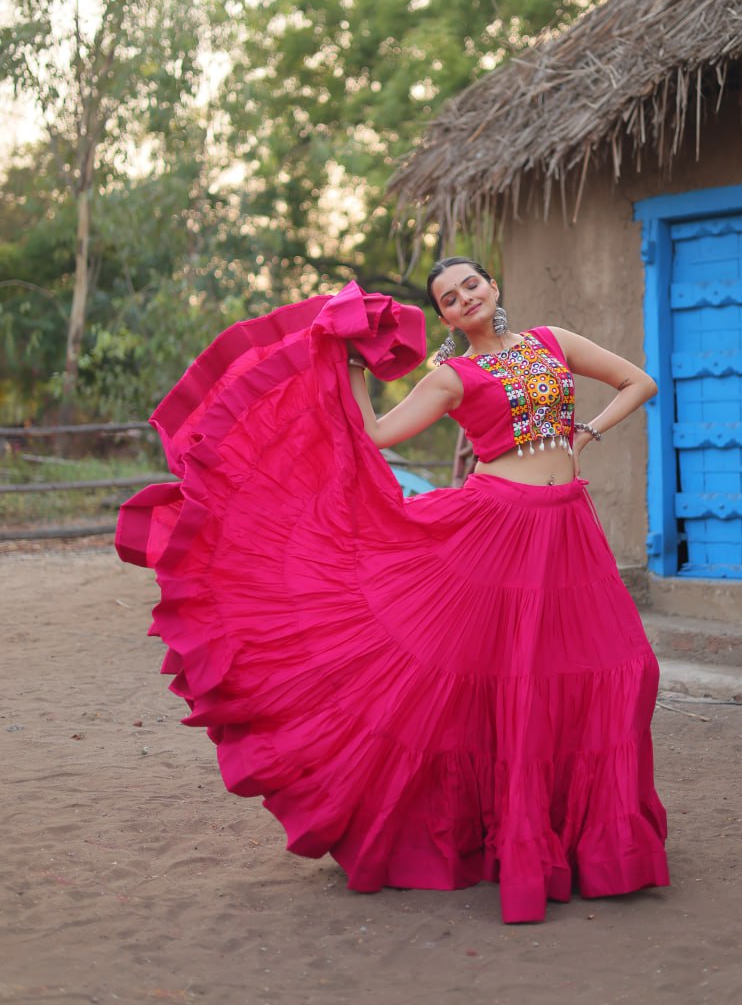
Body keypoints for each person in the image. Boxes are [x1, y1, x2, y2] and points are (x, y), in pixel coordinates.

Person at [116, 260, 669, 925]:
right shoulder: (451, 377)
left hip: (568, 528)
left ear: (492, 286)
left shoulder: (551, 341)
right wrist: (348, 360)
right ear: (442, 317)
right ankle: (505, 841)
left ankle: (597, 842)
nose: (463, 298)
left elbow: (638, 381)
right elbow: (376, 435)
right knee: (504, 683)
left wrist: (587, 431)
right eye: (447, 298)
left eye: (470, 285)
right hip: (495, 532)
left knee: (623, 668)